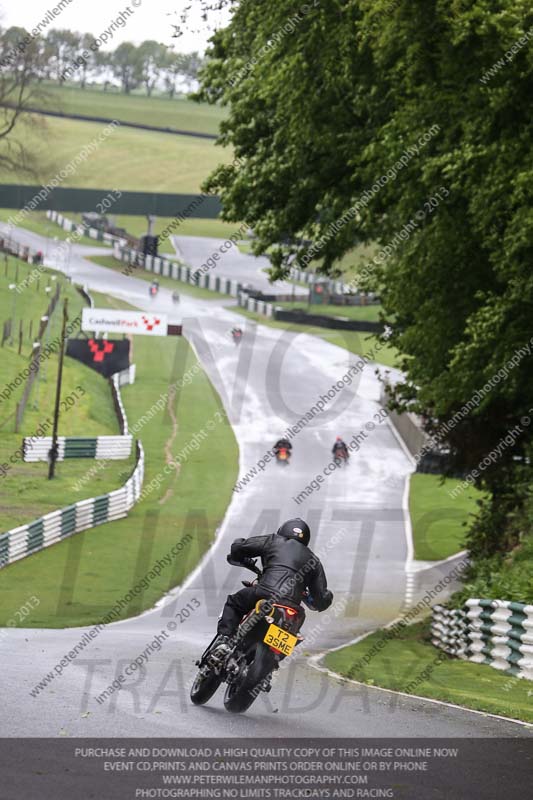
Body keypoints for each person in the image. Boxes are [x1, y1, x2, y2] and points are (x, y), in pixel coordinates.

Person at [211, 518, 333, 659]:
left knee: (234, 602)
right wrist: (324, 597)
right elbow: (321, 599)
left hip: (265, 593)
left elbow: (239, 548)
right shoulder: (315, 561)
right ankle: (271, 665)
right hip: (294, 608)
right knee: (294, 629)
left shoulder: (274, 540)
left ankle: (225, 640)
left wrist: (238, 546)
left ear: (283, 531)